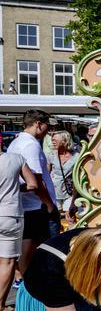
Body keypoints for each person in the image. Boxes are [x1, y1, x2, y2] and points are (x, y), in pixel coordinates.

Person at [8, 110, 58, 267]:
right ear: (38, 124)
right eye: (47, 126)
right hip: (37, 207)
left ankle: (24, 278)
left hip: (26, 205)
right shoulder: (31, 145)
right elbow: (36, 181)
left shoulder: (16, 142)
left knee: (28, 252)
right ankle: (28, 280)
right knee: (44, 252)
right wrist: (49, 205)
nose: (49, 130)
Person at [0, 150, 37, 311]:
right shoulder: (15, 159)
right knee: (7, 261)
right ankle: (0, 306)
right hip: (9, 214)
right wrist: (16, 188)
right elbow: (32, 184)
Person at [48, 130, 78, 226]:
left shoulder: (76, 156)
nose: (52, 142)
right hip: (54, 192)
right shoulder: (51, 155)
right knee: (54, 218)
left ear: (64, 141)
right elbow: (46, 174)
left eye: (55, 140)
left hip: (69, 192)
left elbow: (78, 177)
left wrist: (74, 199)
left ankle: (71, 234)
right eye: (52, 140)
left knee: (70, 218)